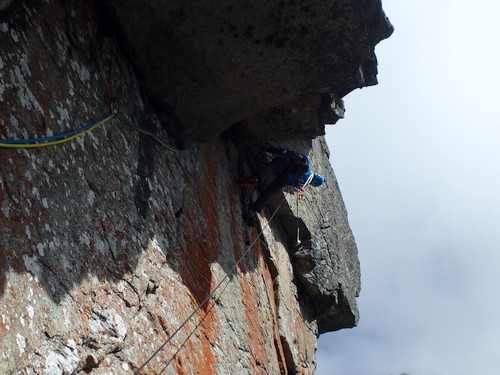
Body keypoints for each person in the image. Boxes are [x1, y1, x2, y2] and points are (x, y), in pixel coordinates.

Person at [248, 146, 324, 214]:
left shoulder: (307, 162)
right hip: (286, 178)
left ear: (316, 175)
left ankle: (256, 178)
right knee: (270, 192)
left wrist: (270, 149)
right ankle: (253, 209)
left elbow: (288, 152)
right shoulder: (302, 185)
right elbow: (300, 196)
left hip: (285, 161)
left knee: (271, 168)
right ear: (313, 184)